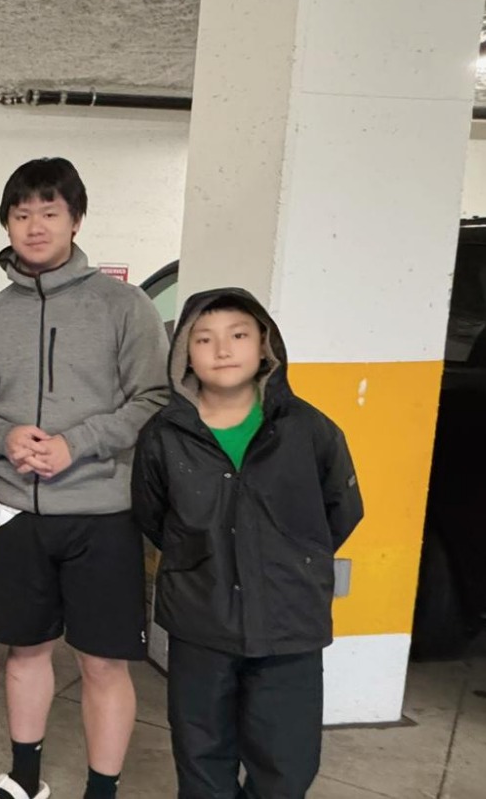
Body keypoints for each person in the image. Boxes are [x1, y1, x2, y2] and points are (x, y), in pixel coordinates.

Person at [0, 158, 169, 799]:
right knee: (24, 653)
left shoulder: (124, 307)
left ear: (76, 220)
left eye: (49, 212)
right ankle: (25, 781)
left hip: (103, 513)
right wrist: (3, 435)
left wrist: (76, 444)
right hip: (18, 515)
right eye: (21, 214)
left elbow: (156, 399)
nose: (34, 226)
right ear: (5, 223)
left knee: (102, 661)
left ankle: (100, 791)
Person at [131, 288, 364, 798]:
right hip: (201, 623)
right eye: (204, 338)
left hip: (289, 626)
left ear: (265, 346)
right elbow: (154, 517)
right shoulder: (163, 436)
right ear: (184, 354)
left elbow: (339, 512)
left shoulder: (309, 430)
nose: (222, 349)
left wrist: (286, 561)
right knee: (200, 754)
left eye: (238, 335)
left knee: (286, 761)